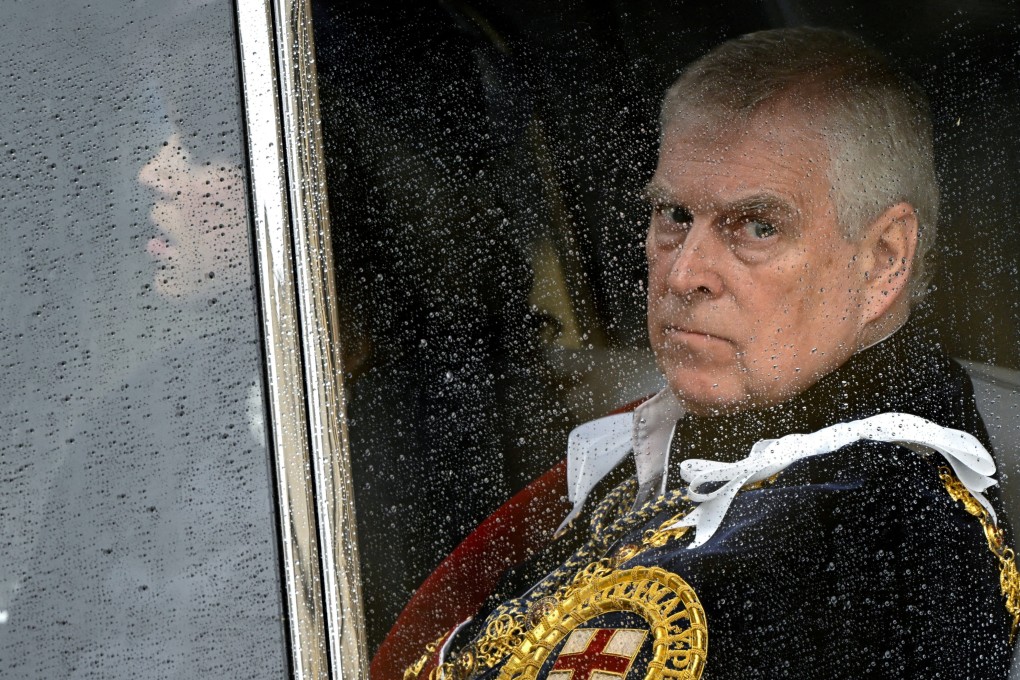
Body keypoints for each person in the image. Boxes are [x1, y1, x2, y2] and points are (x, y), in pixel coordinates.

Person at [398, 27, 1019, 679]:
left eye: (757, 227)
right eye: (673, 216)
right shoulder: (704, 443)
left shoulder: (879, 538)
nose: (682, 273)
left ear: (883, 259)